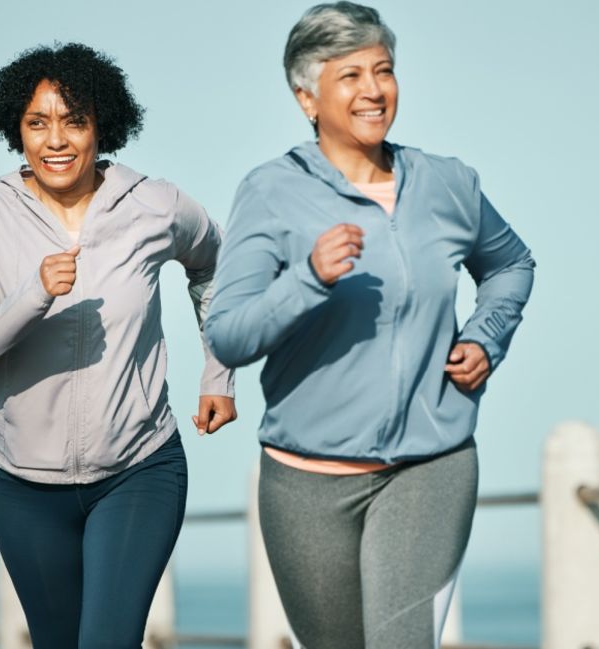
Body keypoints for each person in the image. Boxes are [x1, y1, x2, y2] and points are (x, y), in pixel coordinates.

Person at [204, 3, 536, 647]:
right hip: (305, 483)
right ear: (307, 96)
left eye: (383, 71)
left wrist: (485, 337)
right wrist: (308, 278)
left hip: (429, 468)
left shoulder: (448, 183)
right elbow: (230, 334)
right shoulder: (271, 191)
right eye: (350, 75)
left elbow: (511, 264)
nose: (374, 90)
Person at [0, 43, 236, 648]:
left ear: (103, 126)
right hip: (24, 486)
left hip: (139, 469)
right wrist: (31, 296)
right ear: (14, 129)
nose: (57, 140)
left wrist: (218, 373)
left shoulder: (154, 204)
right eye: (37, 123)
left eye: (74, 121)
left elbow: (216, 266)